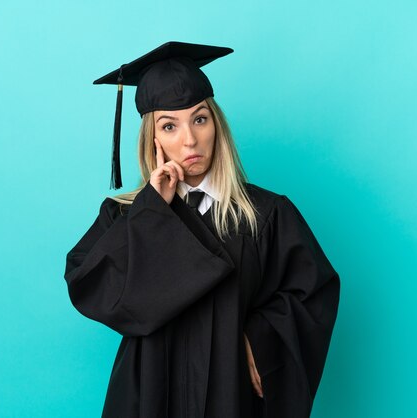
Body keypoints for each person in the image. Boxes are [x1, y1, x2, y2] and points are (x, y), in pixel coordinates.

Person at [63, 41, 341, 418]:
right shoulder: (124, 215)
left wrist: (258, 338)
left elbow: (313, 293)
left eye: (199, 119)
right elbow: (92, 285)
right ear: (153, 138)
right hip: (149, 394)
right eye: (169, 125)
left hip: (231, 396)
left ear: (216, 124)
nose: (189, 140)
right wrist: (152, 209)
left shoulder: (265, 214)